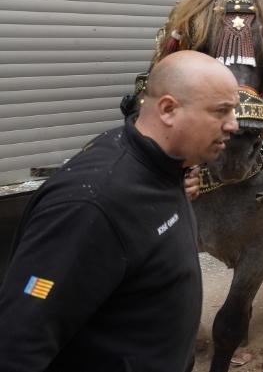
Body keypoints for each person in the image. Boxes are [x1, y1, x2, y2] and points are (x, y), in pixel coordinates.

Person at [0, 51, 240, 371]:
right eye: (221, 111)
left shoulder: (163, 166)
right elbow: (17, 344)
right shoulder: (92, 205)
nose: (234, 125)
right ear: (168, 109)